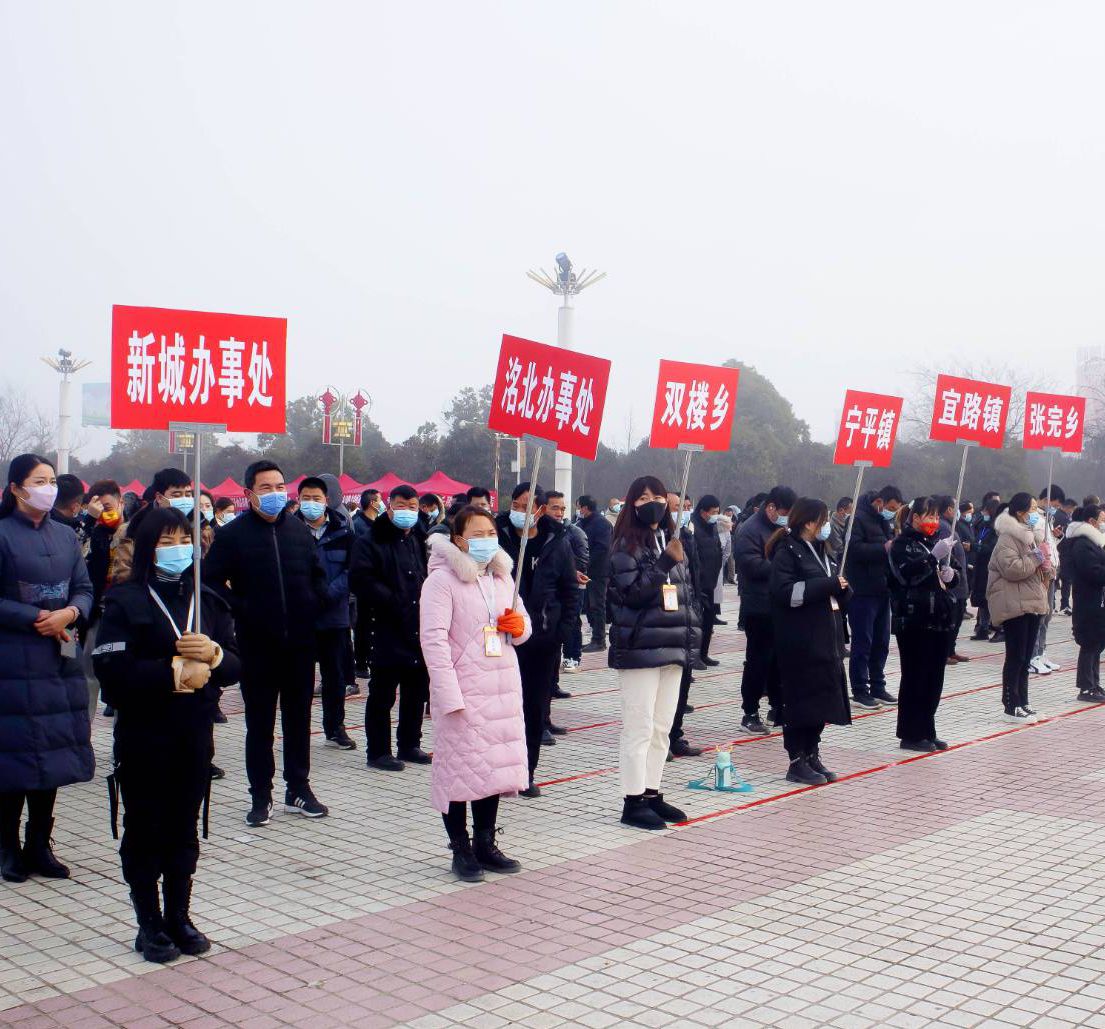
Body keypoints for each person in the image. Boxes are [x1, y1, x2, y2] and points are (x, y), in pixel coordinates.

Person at [93, 507, 241, 963]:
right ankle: (148, 922)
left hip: (193, 735)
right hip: (144, 734)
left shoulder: (208, 599)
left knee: (183, 827)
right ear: (144, 548)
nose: (179, 549)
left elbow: (236, 665)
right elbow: (111, 672)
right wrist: (171, 673)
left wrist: (214, 656)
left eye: (185, 540)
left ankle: (180, 914)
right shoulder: (125, 601)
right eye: (166, 541)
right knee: (145, 828)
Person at [204, 460, 330, 826]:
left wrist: (314, 600)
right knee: (260, 723)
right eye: (266, 488)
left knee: (299, 718)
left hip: (301, 643)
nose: (276, 494)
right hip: (257, 645)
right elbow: (211, 582)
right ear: (248, 494)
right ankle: (261, 794)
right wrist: (243, 608)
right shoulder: (233, 536)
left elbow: (318, 574)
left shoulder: (298, 531)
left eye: (279, 486)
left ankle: (298, 789)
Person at [420, 506, 531, 881]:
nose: (487, 539)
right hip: (463, 691)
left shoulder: (501, 578)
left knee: (490, 769)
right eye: (477, 533)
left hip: (500, 688)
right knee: (456, 770)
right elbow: (433, 641)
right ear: (459, 539)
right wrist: (448, 694)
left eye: (490, 532)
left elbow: (523, 625)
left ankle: (486, 842)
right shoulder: (441, 581)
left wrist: (518, 627)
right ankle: (460, 848)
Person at [0, 454, 94, 883]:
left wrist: (71, 613)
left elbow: (86, 588)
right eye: (40, 480)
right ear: (17, 488)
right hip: (13, 660)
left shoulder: (66, 535)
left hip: (60, 655)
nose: (49, 487)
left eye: (52, 480)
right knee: (14, 756)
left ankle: (41, 843)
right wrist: (35, 617)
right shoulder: (2, 534)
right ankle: (7, 848)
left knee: (53, 752)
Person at [608, 476, 701, 829]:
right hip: (639, 648)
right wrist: (663, 563)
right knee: (639, 726)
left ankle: (652, 792)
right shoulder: (625, 545)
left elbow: (686, 595)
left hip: (672, 646)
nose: (653, 502)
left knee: (662, 726)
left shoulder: (671, 539)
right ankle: (632, 801)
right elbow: (630, 594)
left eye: (659, 496)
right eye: (644, 497)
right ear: (632, 504)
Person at [496, 482, 580, 797]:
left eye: (528, 506)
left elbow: (570, 591)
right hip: (503, 638)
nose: (521, 511)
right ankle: (498, 770)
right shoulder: (497, 536)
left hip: (542, 641)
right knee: (501, 708)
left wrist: (560, 633)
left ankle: (526, 772)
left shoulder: (556, 541)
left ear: (540, 510)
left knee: (533, 708)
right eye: (517, 504)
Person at [768, 497, 851, 785]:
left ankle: (813, 752)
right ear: (808, 522)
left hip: (826, 637)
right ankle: (796, 759)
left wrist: (842, 590)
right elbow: (785, 592)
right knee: (800, 701)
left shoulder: (821, 549)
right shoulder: (787, 551)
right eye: (823, 520)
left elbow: (829, 588)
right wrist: (825, 586)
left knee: (821, 700)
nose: (826, 526)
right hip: (799, 640)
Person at [350, 484, 431, 771]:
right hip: (384, 627)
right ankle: (378, 751)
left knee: (416, 690)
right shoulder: (371, 538)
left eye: (412, 506)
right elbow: (360, 580)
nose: (406, 511)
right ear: (388, 504)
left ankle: (410, 744)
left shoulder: (419, 537)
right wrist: (392, 599)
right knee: (382, 693)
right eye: (400, 504)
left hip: (418, 626)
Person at [888, 496, 958, 752]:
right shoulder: (902, 544)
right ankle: (910, 733)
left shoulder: (935, 543)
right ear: (915, 517)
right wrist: (931, 558)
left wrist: (951, 575)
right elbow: (906, 575)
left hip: (937, 617)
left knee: (933, 678)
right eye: (929, 516)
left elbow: (952, 576)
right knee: (915, 677)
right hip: (913, 618)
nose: (934, 522)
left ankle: (927, 728)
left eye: (937, 517)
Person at [296, 477, 357, 751]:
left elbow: (352, 571)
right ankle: (299, 730)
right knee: (300, 678)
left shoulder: (344, 531)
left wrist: (331, 593)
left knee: (335, 677)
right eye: (306, 498)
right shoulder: (289, 530)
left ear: (327, 500)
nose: (311, 504)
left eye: (316, 498)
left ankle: (335, 727)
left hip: (334, 616)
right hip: (302, 616)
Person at [734, 485, 796, 734]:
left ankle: (777, 706)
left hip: (782, 605)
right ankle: (750, 711)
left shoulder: (785, 530)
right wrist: (783, 569)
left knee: (780, 660)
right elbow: (751, 566)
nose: (786, 517)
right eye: (783, 512)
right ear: (771, 508)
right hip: (759, 606)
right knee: (758, 660)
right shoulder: (749, 530)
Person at [987, 493, 1053, 723]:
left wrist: (1047, 562)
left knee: (1026, 657)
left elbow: (1040, 568)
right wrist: (1036, 558)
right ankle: (1010, 704)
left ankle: (1023, 701)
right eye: (1033, 509)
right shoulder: (1008, 537)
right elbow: (1012, 569)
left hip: (1032, 601)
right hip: (1014, 603)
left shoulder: (1032, 537)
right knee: (1015, 656)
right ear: (1020, 512)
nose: (1037, 514)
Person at [843, 486, 904, 709]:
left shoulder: (882, 520)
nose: (890, 512)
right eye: (889, 508)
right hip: (862, 590)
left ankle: (878, 685)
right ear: (879, 501)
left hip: (882, 589)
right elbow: (853, 550)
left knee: (881, 642)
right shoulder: (857, 519)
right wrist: (883, 548)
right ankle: (860, 689)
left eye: (895, 510)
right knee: (863, 641)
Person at [80, 479, 127, 719]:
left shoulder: (132, 529)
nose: (107, 513)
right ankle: (83, 733)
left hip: (124, 613)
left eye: (110, 507)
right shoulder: (92, 532)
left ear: (121, 502)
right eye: (101, 508)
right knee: (88, 675)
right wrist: (90, 522)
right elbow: (76, 553)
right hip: (96, 612)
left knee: (123, 674)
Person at [1061, 506, 1105, 702]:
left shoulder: (1093, 542)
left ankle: (1094, 683)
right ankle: (1086, 687)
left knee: (1096, 643)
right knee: (1089, 642)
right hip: (1088, 601)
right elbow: (1092, 572)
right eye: (1101, 519)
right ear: (1091, 521)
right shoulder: (1082, 544)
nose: (1102, 523)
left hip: (1096, 600)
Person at [546, 491, 588, 689]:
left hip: (569, 589)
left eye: (562, 508)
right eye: (555, 507)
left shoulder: (573, 533)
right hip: (546, 596)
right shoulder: (536, 533)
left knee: (571, 624)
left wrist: (573, 574)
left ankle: (572, 658)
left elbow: (581, 560)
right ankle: (550, 682)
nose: (559, 512)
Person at [685, 495, 724, 667]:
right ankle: (693, 659)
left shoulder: (712, 526)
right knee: (695, 624)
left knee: (708, 621)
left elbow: (718, 551)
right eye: (714, 512)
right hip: (696, 584)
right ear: (703, 512)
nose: (716, 515)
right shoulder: (693, 527)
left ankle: (704, 654)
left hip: (710, 583)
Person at [935, 495, 971, 665]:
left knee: (956, 620)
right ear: (949, 509)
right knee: (950, 620)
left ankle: (951, 650)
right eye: (955, 507)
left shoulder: (951, 526)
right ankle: (944, 653)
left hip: (959, 581)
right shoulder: (944, 527)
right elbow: (944, 554)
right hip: (952, 584)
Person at [577, 495, 612, 653]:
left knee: (597, 605)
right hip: (587, 571)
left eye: (579, 507)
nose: (578, 510)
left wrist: (586, 563)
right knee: (589, 606)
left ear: (585, 507)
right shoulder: (583, 523)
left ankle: (599, 640)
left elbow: (602, 548)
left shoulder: (601, 524)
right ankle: (595, 637)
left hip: (598, 571)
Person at [970, 498, 1002, 641]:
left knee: (992, 599)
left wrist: (974, 547)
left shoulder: (997, 528)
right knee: (982, 600)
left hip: (990, 567)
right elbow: (979, 540)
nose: (983, 513)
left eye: (986, 511)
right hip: (980, 566)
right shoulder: (983, 525)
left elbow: (991, 548)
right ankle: (983, 628)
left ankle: (998, 628)